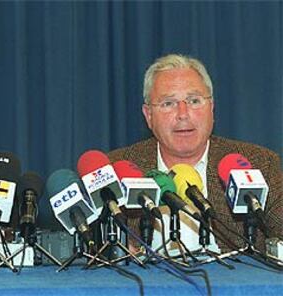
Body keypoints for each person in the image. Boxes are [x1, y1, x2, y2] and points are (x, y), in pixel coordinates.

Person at [109, 54, 282, 254]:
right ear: (149, 116)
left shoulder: (258, 163)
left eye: (194, 101)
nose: (183, 114)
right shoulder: (117, 168)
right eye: (168, 103)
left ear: (212, 108)